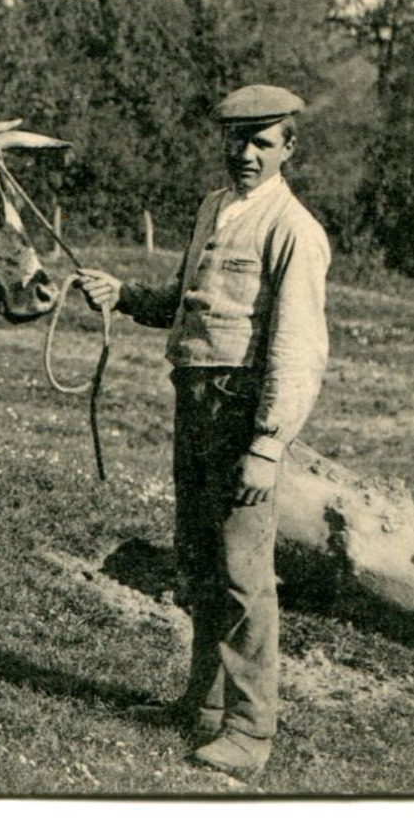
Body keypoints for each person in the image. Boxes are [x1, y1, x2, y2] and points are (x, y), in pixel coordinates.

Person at [76, 85, 329, 778]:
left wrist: (266, 446)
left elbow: (297, 349)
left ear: (288, 148)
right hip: (192, 402)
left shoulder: (293, 229)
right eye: (235, 140)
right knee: (199, 559)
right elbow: (189, 304)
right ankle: (205, 706)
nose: (245, 154)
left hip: (240, 412)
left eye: (262, 142)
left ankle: (250, 733)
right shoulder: (212, 209)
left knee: (245, 574)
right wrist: (122, 293)